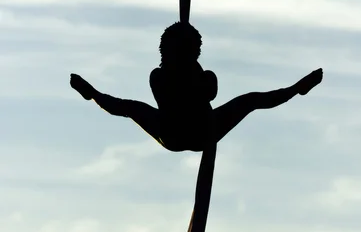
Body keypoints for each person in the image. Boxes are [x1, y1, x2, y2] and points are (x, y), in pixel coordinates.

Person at [70, 21, 323, 152]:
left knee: (250, 100)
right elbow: (185, 97)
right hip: (176, 131)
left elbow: (209, 94)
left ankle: (296, 89)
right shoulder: (159, 77)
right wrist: (191, 74)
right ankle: (92, 94)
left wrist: (196, 73)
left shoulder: (197, 74)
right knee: (131, 107)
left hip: (201, 129)